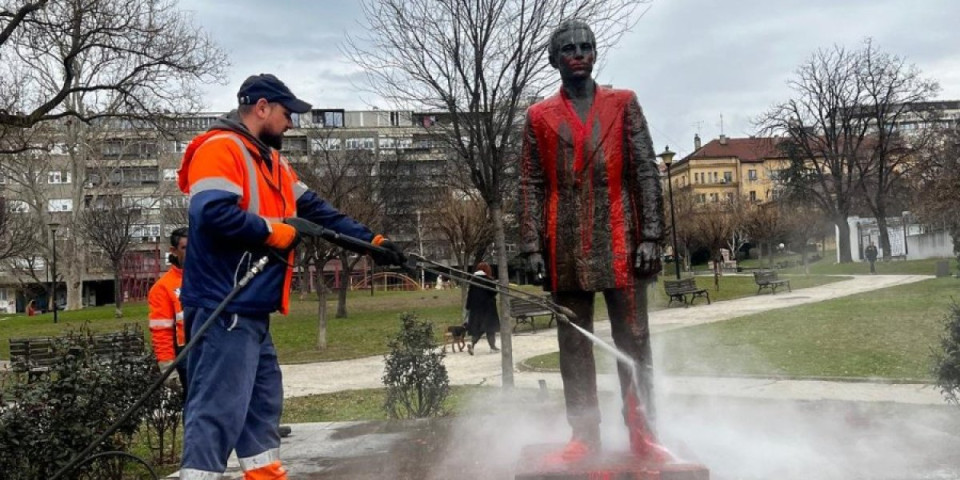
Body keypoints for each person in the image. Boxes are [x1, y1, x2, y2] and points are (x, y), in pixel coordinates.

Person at [175, 73, 406, 480]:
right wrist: (272, 231)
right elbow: (209, 213)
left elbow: (319, 212)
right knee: (217, 409)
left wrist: (374, 243)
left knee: (262, 402)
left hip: (251, 308)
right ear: (261, 108)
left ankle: (263, 474)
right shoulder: (220, 148)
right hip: (222, 304)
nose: (291, 123)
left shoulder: (272, 162)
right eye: (286, 113)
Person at [518, 20, 664, 459]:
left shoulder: (624, 104)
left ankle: (643, 430)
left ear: (596, 54)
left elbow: (645, 172)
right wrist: (530, 246)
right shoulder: (538, 116)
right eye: (568, 49)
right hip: (564, 245)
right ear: (554, 58)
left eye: (585, 47)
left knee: (634, 339)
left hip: (622, 238)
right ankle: (584, 434)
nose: (578, 54)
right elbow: (529, 184)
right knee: (574, 344)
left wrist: (652, 235)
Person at [148, 227, 189, 393]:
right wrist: (167, 368)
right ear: (174, 251)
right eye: (185, 248)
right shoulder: (163, 287)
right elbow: (161, 331)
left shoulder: (212, 277)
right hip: (187, 355)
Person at [464, 262, 500, 355]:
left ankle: (472, 344)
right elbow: (493, 293)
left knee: (478, 329)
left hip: (476, 309)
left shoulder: (473, 280)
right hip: (488, 308)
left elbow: (470, 295)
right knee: (490, 329)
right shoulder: (489, 280)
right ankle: (493, 347)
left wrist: (468, 307)